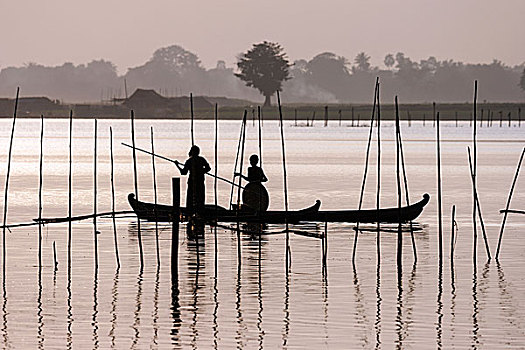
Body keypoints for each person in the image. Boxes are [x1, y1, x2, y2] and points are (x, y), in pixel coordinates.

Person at [176, 145, 211, 215]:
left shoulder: (190, 161)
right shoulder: (201, 159)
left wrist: (177, 165)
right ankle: (198, 212)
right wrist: (202, 171)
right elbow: (208, 168)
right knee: (200, 198)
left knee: (191, 199)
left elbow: (183, 172)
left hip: (194, 182)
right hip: (199, 182)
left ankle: (192, 213)